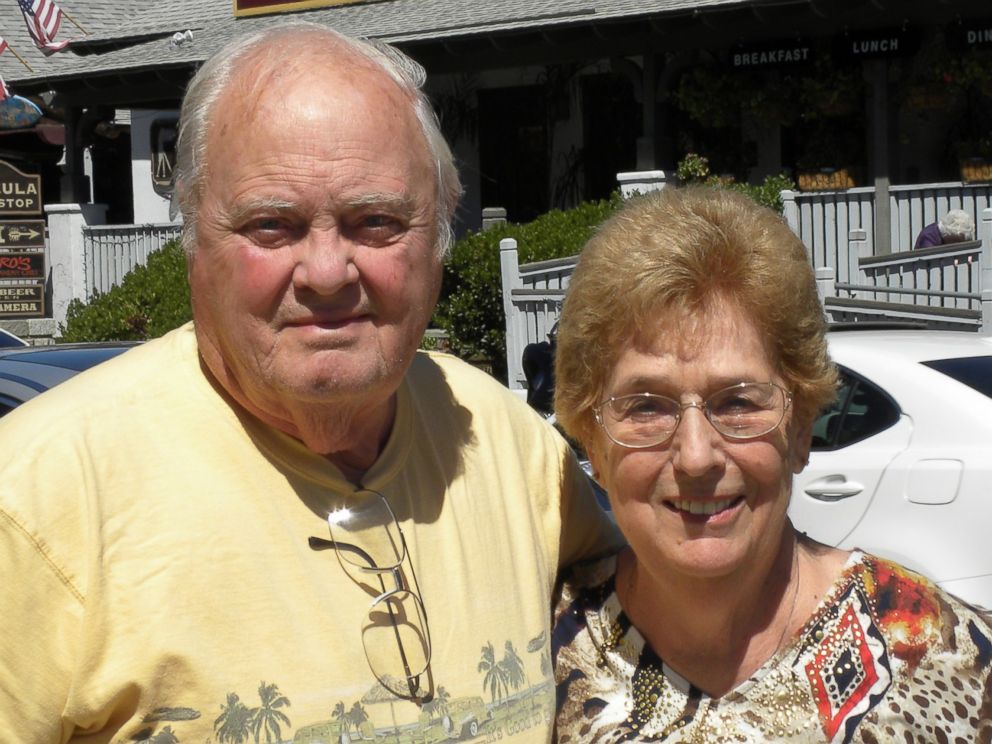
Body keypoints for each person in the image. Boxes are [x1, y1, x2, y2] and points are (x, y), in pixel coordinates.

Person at [0, 23, 620, 743]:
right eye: (272, 225)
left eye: (376, 221)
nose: (327, 272)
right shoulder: (35, 500)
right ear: (195, 242)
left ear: (439, 240)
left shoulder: (507, 444)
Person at [550, 187, 992, 742]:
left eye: (737, 402)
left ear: (801, 426)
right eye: (646, 406)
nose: (695, 456)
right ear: (592, 441)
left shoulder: (954, 662)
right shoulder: (541, 654)